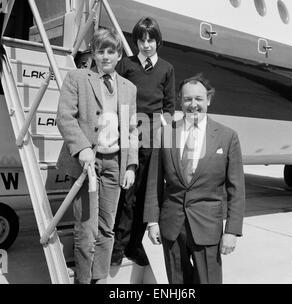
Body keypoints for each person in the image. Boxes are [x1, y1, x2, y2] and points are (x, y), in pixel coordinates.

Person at [144, 73, 245, 284]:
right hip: (172, 227)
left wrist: (232, 231)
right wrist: (152, 221)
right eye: (188, 99)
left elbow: (236, 189)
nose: (193, 105)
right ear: (181, 101)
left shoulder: (227, 136)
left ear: (208, 100)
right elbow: (154, 182)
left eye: (199, 99)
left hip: (208, 227)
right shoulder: (165, 134)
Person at [56, 28, 138, 284]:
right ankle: (82, 280)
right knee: (87, 230)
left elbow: (133, 129)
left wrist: (131, 166)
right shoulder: (77, 78)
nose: (105, 56)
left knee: (107, 228)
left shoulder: (129, 88)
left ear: (118, 55)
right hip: (87, 165)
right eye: (100, 51)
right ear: (93, 53)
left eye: (110, 51)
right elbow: (65, 118)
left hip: (115, 163)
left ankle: (99, 278)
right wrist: (82, 148)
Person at [111, 16, 175, 266]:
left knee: (146, 194)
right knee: (127, 193)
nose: (146, 44)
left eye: (151, 39)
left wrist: (163, 136)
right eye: (141, 39)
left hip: (153, 134)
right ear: (135, 40)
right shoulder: (126, 65)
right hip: (129, 132)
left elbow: (169, 106)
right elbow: (116, 96)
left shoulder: (167, 69)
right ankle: (117, 245)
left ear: (158, 41)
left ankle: (134, 245)